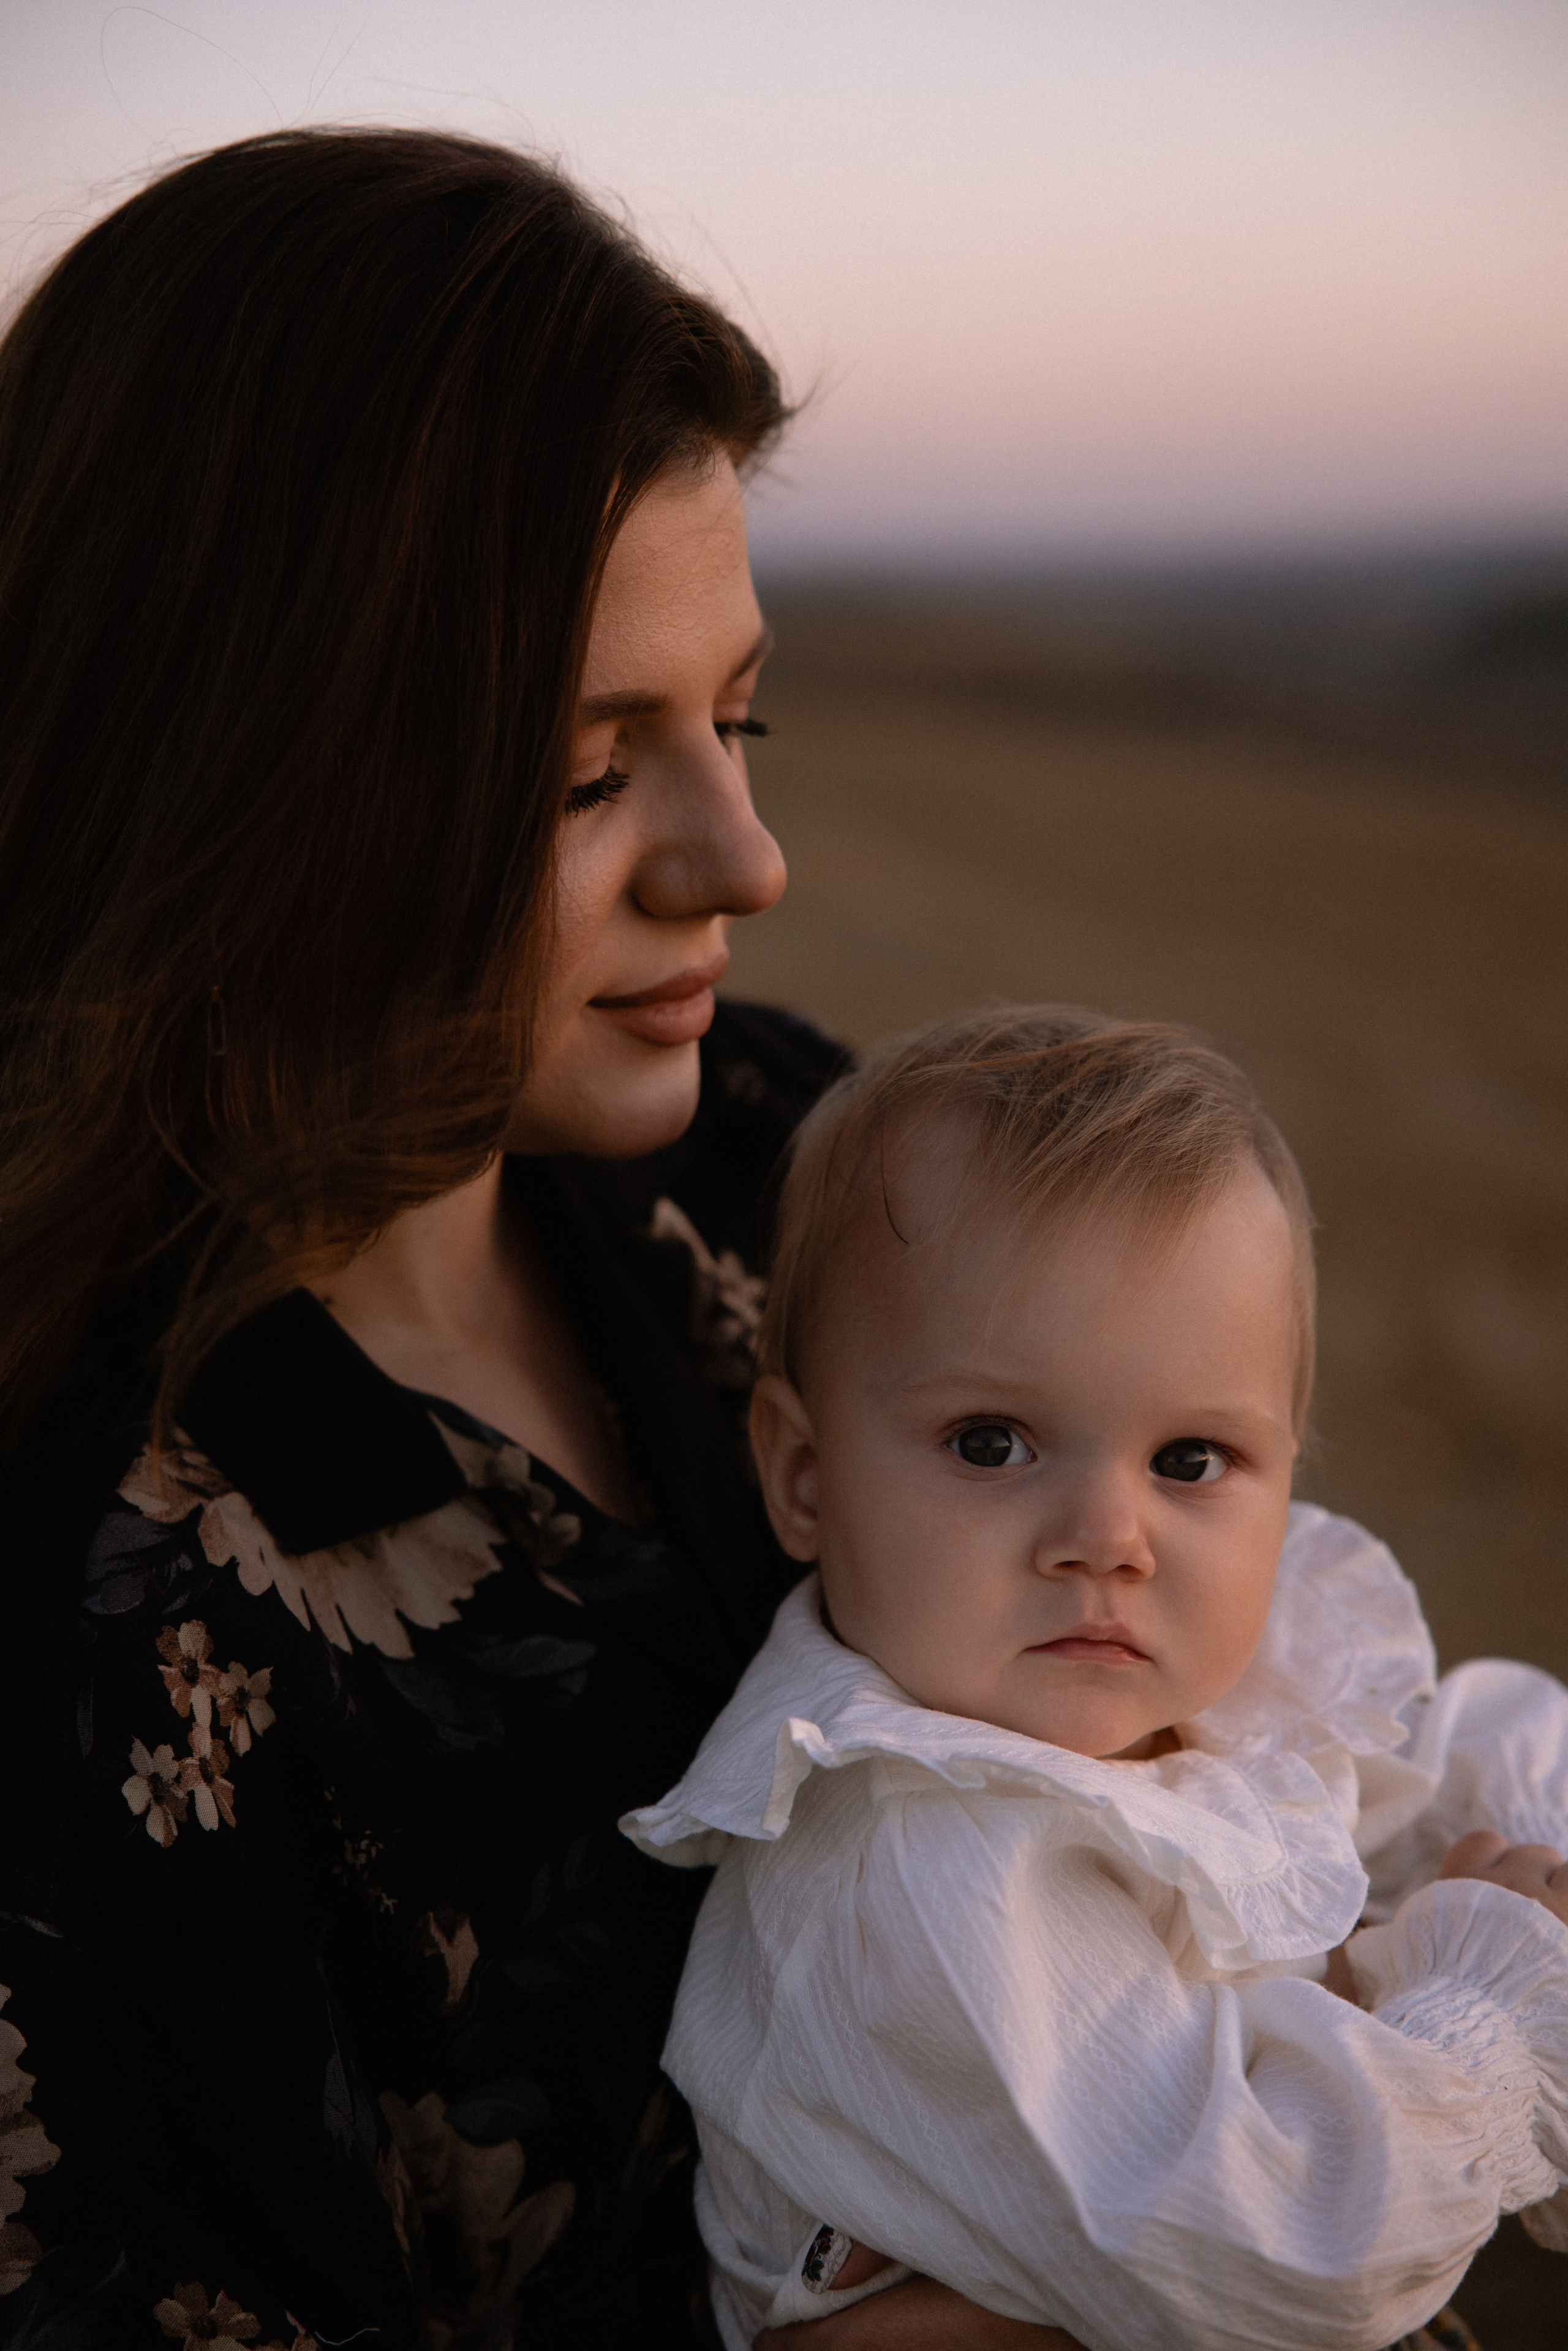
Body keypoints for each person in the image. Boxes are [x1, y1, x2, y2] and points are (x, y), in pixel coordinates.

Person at [0, 123, 918, 2351]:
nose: (743, 851)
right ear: (251, 764)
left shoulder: (797, 1158)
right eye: (590, 768)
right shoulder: (99, 1610)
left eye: (737, 713)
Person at [627, 1006, 1568, 2351]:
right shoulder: (921, 1858)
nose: (1107, 1538)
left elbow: (1467, 1735)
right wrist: (1491, 2020)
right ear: (805, 1474)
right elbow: (1294, 2242)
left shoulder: (1194, 1678)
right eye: (991, 1440)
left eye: (1188, 1459)